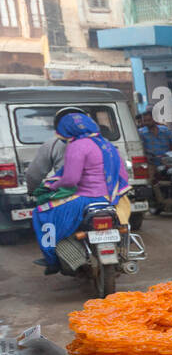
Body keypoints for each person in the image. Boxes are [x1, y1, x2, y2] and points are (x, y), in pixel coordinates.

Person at [31, 109, 130, 275]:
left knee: (40, 213)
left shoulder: (76, 146)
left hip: (86, 199)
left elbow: (70, 180)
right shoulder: (106, 144)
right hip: (113, 199)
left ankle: (52, 260)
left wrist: (53, 187)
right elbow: (122, 174)